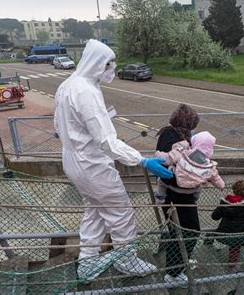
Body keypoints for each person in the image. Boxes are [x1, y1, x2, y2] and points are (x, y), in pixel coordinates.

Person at [54, 40, 173, 282]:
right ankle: (126, 260)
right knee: (120, 213)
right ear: (98, 64)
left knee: (95, 210)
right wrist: (141, 160)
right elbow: (107, 141)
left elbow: (58, 125)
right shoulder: (86, 91)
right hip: (92, 165)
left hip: (73, 160)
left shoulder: (67, 85)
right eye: (109, 63)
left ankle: (88, 261)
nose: (112, 68)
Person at [156, 104, 202, 285]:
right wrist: (194, 175)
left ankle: (179, 263)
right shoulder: (172, 136)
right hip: (177, 195)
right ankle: (173, 274)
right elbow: (167, 167)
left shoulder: (171, 133)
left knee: (179, 231)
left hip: (177, 193)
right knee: (189, 232)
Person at [154, 131, 225, 204]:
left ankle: (160, 198)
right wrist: (221, 185)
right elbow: (215, 177)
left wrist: (158, 154)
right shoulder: (208, 165)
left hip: (176, 184)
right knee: (200, 184)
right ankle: (194, 200)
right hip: (192, 190)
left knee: (161, 180)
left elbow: (167, 159)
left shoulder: (183, 152)